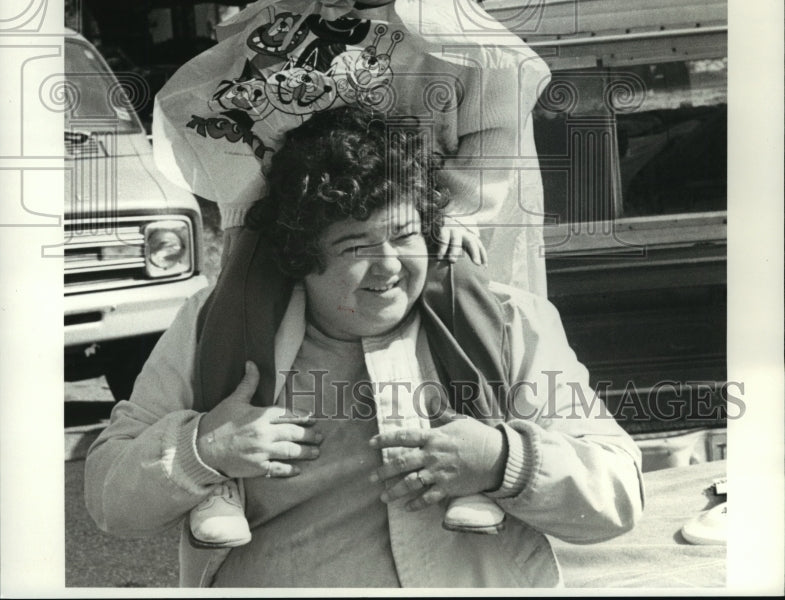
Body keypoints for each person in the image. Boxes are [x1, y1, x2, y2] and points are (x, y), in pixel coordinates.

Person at [152, 0, 551, 545]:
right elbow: (206, 101)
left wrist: (462, 208)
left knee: (461, 296)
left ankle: (481, 445)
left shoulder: (463, 36)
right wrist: (257, 183)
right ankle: (226, 479)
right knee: (240, 297)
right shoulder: (280, 22)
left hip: (413, 221)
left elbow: (498, 128)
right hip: (308, 216)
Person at [85, 107, 644, 589]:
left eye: (404, 235)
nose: (390, 266)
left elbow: (618, 495)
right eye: (355, 245)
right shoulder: (217, 327)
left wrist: (501, 461)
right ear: (300, 256)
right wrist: (203, 450)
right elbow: (110, 501)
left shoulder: (509, 322)